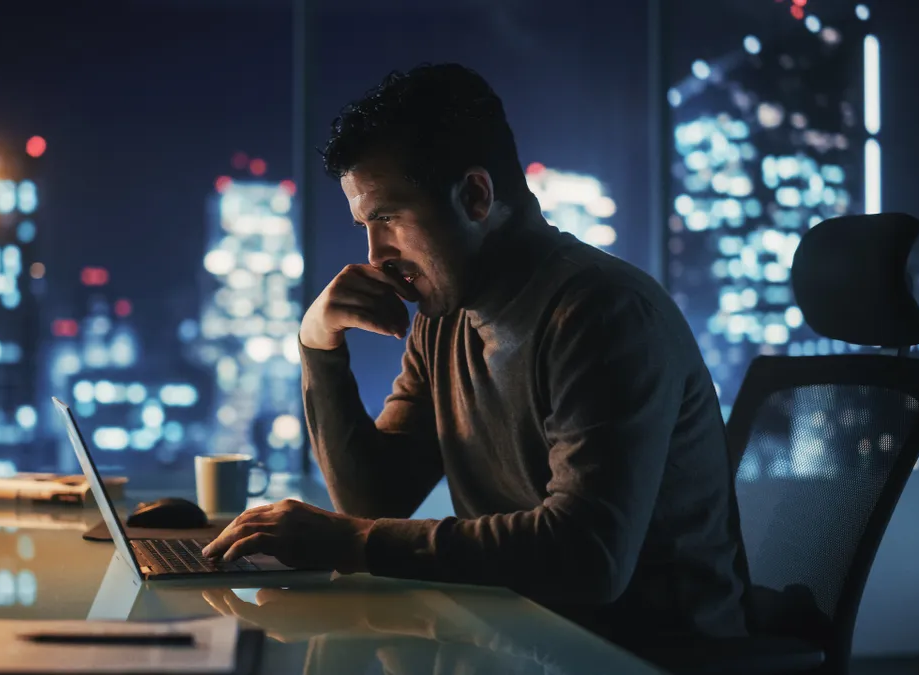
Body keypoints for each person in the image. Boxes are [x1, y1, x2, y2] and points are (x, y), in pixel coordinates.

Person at [203, 63, 750, 649]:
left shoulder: (603, 314)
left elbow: (589, 557)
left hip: (637, 655)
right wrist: (318, 344)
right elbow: (374, 499)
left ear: (475, 195)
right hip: (516, 638)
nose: (374, 253)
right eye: (366, 224)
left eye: (387, 218)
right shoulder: (446, 320)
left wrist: (354, 542)